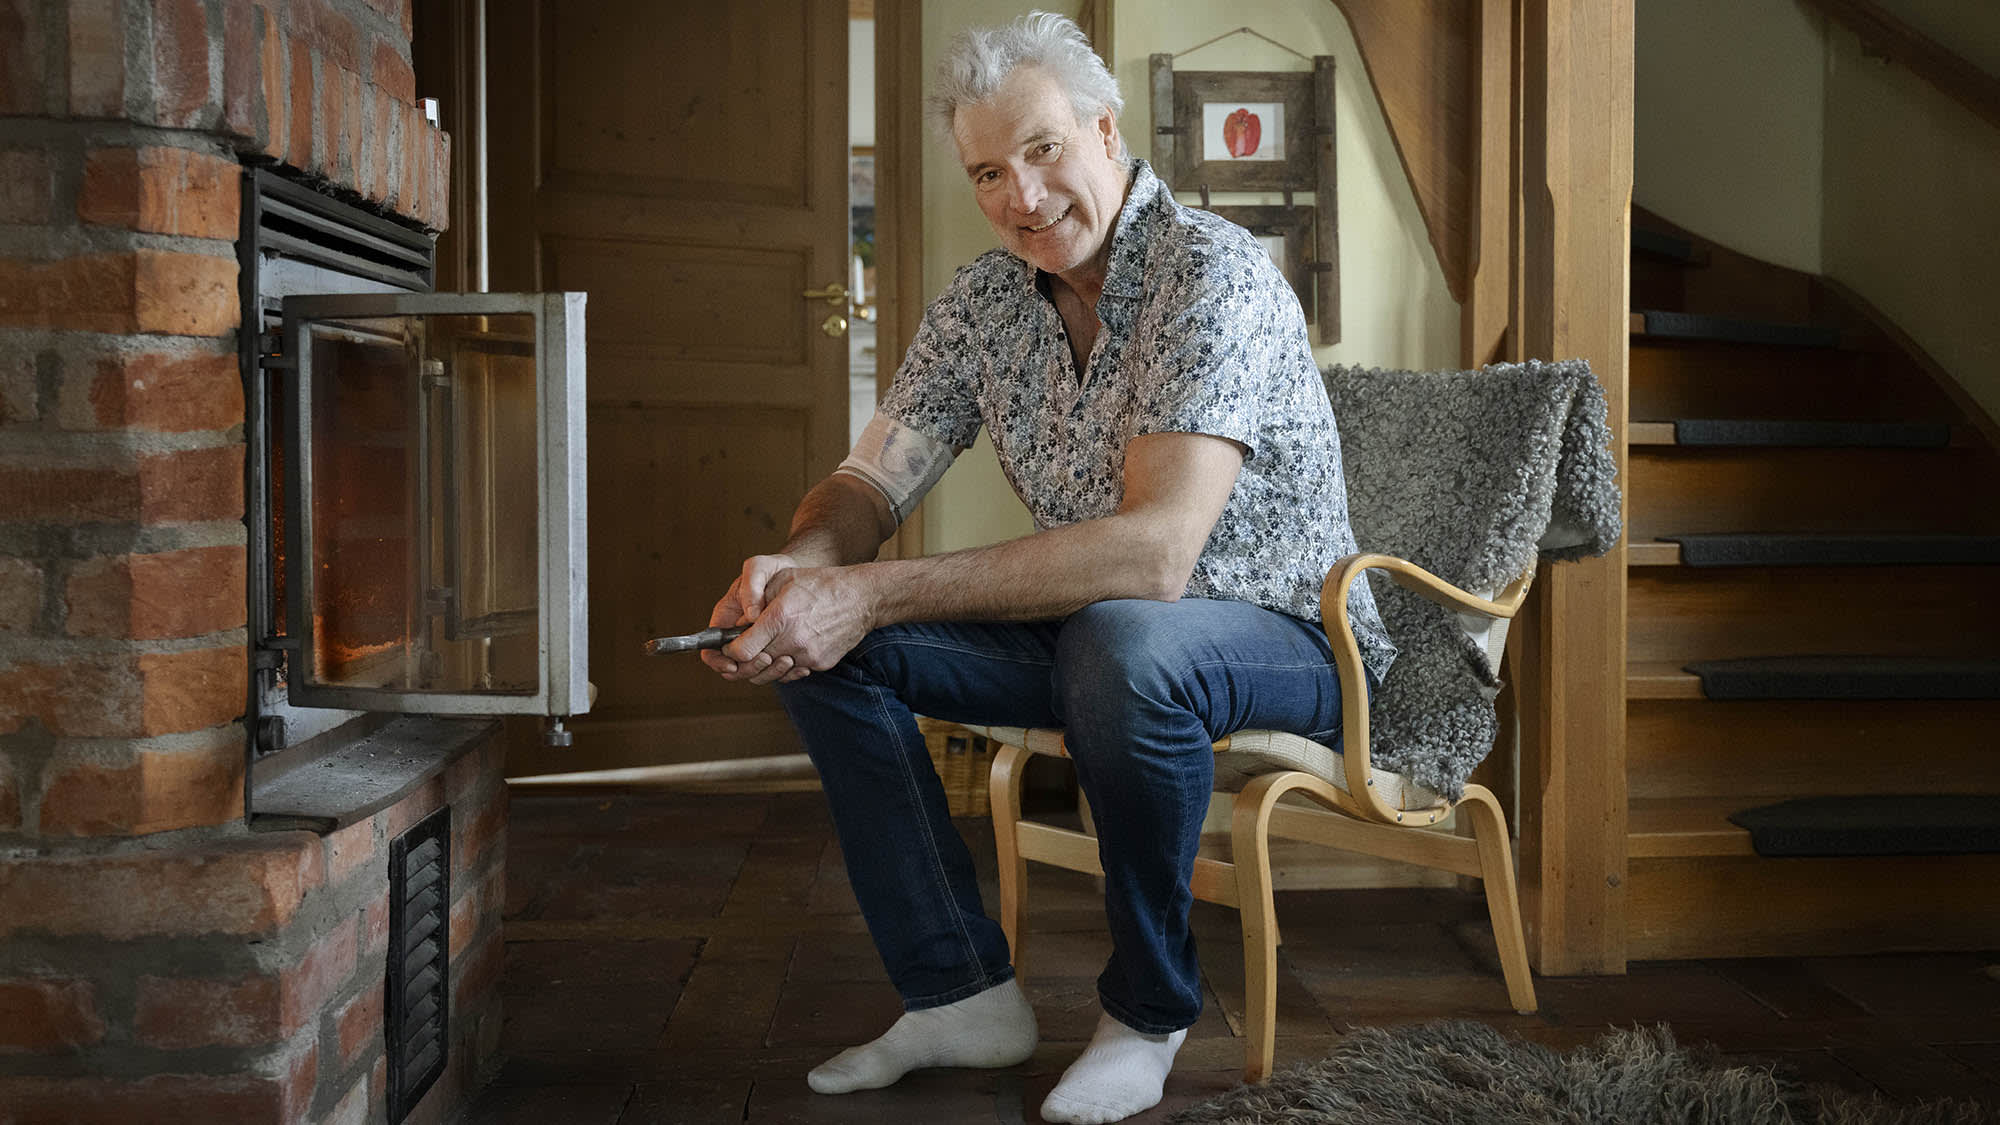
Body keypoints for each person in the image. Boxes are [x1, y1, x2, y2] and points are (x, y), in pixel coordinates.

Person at [699, 12, 1394, 1123]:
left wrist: (869, 591)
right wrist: (804, 567)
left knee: (1122, 641)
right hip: (1096, 632)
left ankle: (1145, 1012)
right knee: (824, 649)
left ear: (1104, 132)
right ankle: (958, 996)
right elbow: (870, 484)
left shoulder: (1208, 272)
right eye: (986, 172)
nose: (1019, 198)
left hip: (1286, 635)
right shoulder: (982, 303)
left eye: (1040, 151)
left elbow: (1155, 552)